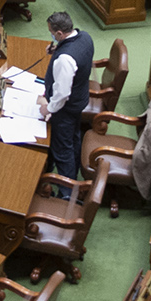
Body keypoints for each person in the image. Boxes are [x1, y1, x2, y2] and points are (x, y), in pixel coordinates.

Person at [38, 11, 94, 177]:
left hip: (66, 109)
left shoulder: (65, 60)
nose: (51, 35)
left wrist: (49, 108)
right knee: (73, 138)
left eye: (52, 33)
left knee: (62, 149)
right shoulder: (85, 36)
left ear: (60, 33)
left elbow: (62, 94)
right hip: (80, 99)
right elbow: (80, 56)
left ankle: (67, 191)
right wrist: (58, 48)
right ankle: (75, 165)